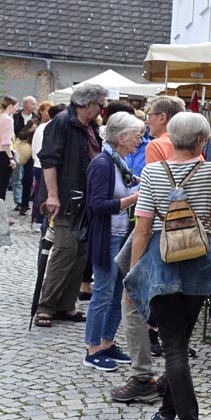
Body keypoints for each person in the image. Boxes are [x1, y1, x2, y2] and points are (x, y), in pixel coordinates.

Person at [124, 112, 211, 420]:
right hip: (198, 265)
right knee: (179, 344)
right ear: (201, 140)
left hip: (163, 266)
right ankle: (167, 414)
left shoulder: (153, 172)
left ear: (171, 137)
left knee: (173, 348)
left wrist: (132, 278)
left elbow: (142, 230)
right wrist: (204, 250)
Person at [110, 95, 185, 403]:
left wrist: (137, 271)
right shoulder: (192, 149)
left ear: (164, 118)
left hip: (155, 235)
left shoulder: (157, 146)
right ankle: (171, 371)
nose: (146, 120)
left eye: (151, 115)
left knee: (131, 298)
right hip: (182, 239)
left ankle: (143, 376)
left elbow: (149, 209)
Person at [34, 84, 106, 328]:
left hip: (86, 201)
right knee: (64, 252)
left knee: (79, 255)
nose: (102, 109)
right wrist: (52, 195)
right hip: (64, 199)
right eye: (100, 104)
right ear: (87, 104)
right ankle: (45, 306)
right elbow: (49, 160)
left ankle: (66, 305)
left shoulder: (91, 127)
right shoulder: (63, 122)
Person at [82, 112, 145, 371]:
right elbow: (96, 205)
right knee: (103, 292)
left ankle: (107, 343)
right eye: (137, 135)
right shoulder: (103, 164)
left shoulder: (120, 163)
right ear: (121, 138)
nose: (140, 140)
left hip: (120, 237)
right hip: (107, 238)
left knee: (118, 292)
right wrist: (134, 199)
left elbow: (126, 187)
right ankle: (93, 348)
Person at [30, 102, 56, 226]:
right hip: (44, 165)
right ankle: (40, 220)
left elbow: (34, 147)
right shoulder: (50, 127)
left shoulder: (41, 127)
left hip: (38, 164)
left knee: (38, 193)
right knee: (43, 194)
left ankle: (39, 220)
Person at [12, 95, 37, 213]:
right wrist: (29, 131)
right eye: (32, 104)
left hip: (31, 151)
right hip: (18, 149)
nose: (34, 106)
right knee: (17, 177)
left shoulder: (36, 118)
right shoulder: (16, 117)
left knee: (27, 178)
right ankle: (19, 201)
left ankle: (24, 205)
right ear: (26, 104)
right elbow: (17, 133)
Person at [0, 96, 18, 203]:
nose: (16, 109)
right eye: (15, 106)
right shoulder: (8, 119)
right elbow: (6, 142)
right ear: (10, 105)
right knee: (2, 186)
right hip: (4, 154)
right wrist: (11, 158)